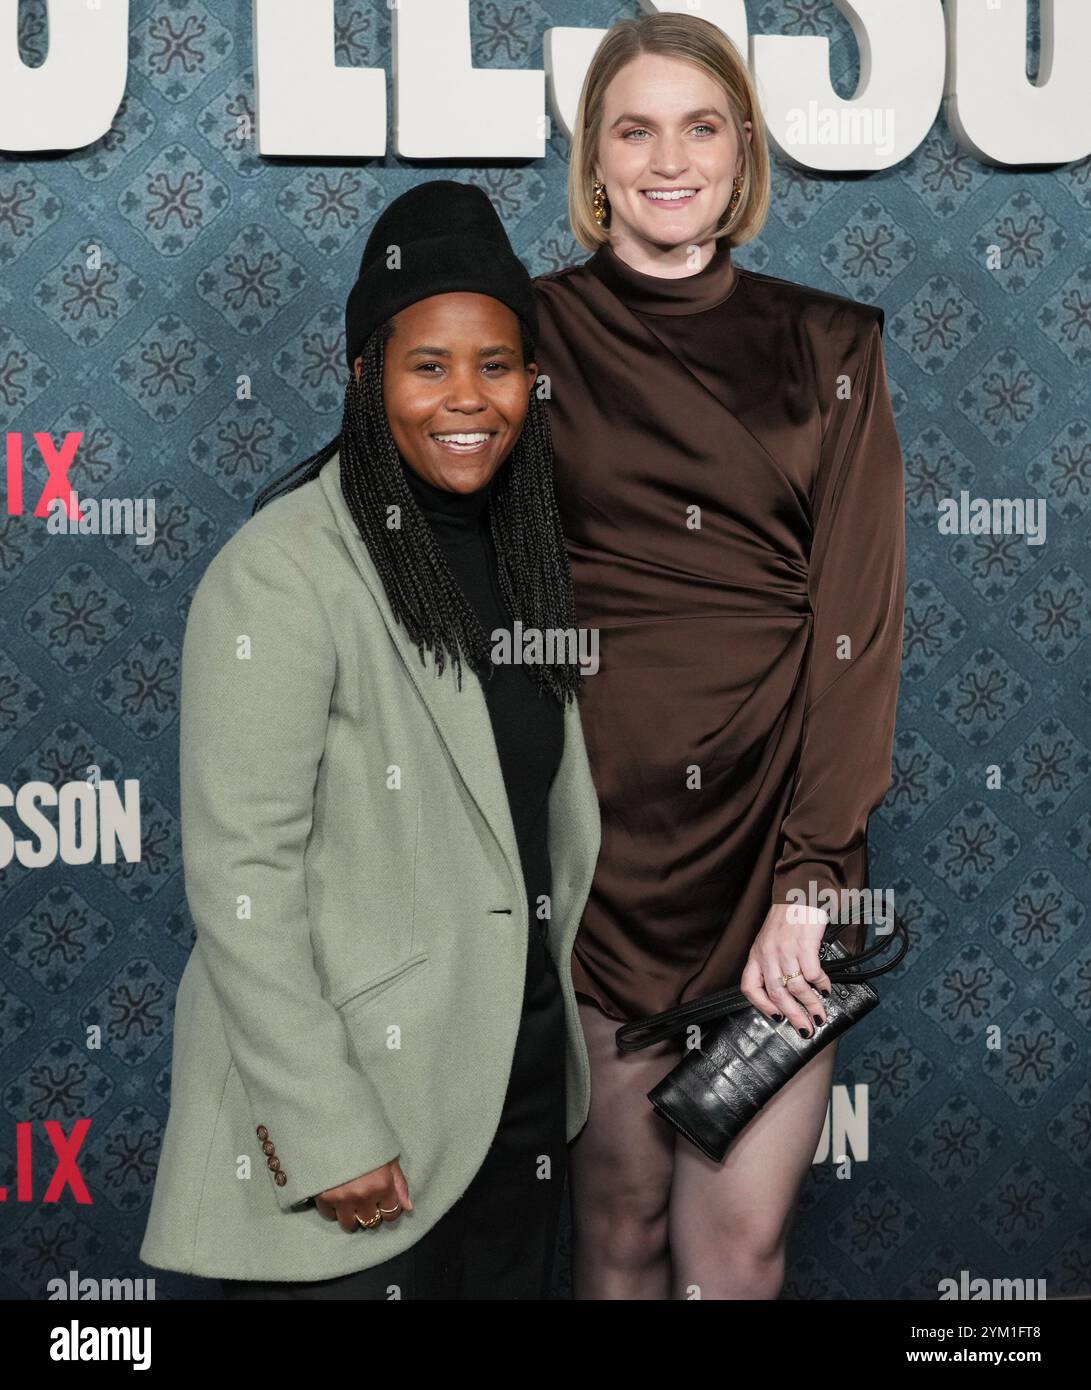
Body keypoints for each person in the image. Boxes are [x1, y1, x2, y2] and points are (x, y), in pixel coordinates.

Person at [139, 181, 601, 1299]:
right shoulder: (283, 569)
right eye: (426, 365)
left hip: (517, 1107)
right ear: (363, 377)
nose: (466, 397)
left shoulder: (533, 555)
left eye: (495, 364)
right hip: (365, 1127)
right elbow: (241, 876)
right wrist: (327, 1127)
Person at [533, 12, 906, 1299]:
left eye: (699, 126)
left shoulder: (831, 345)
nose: (667, 158)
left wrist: (810, 879)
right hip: (605, 873)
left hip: (777, 865)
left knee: (732, 1258)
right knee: (619, 1245)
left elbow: (856, 633)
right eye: (632, 128)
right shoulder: (525, 342)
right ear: (592, 158)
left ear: (742, 150)